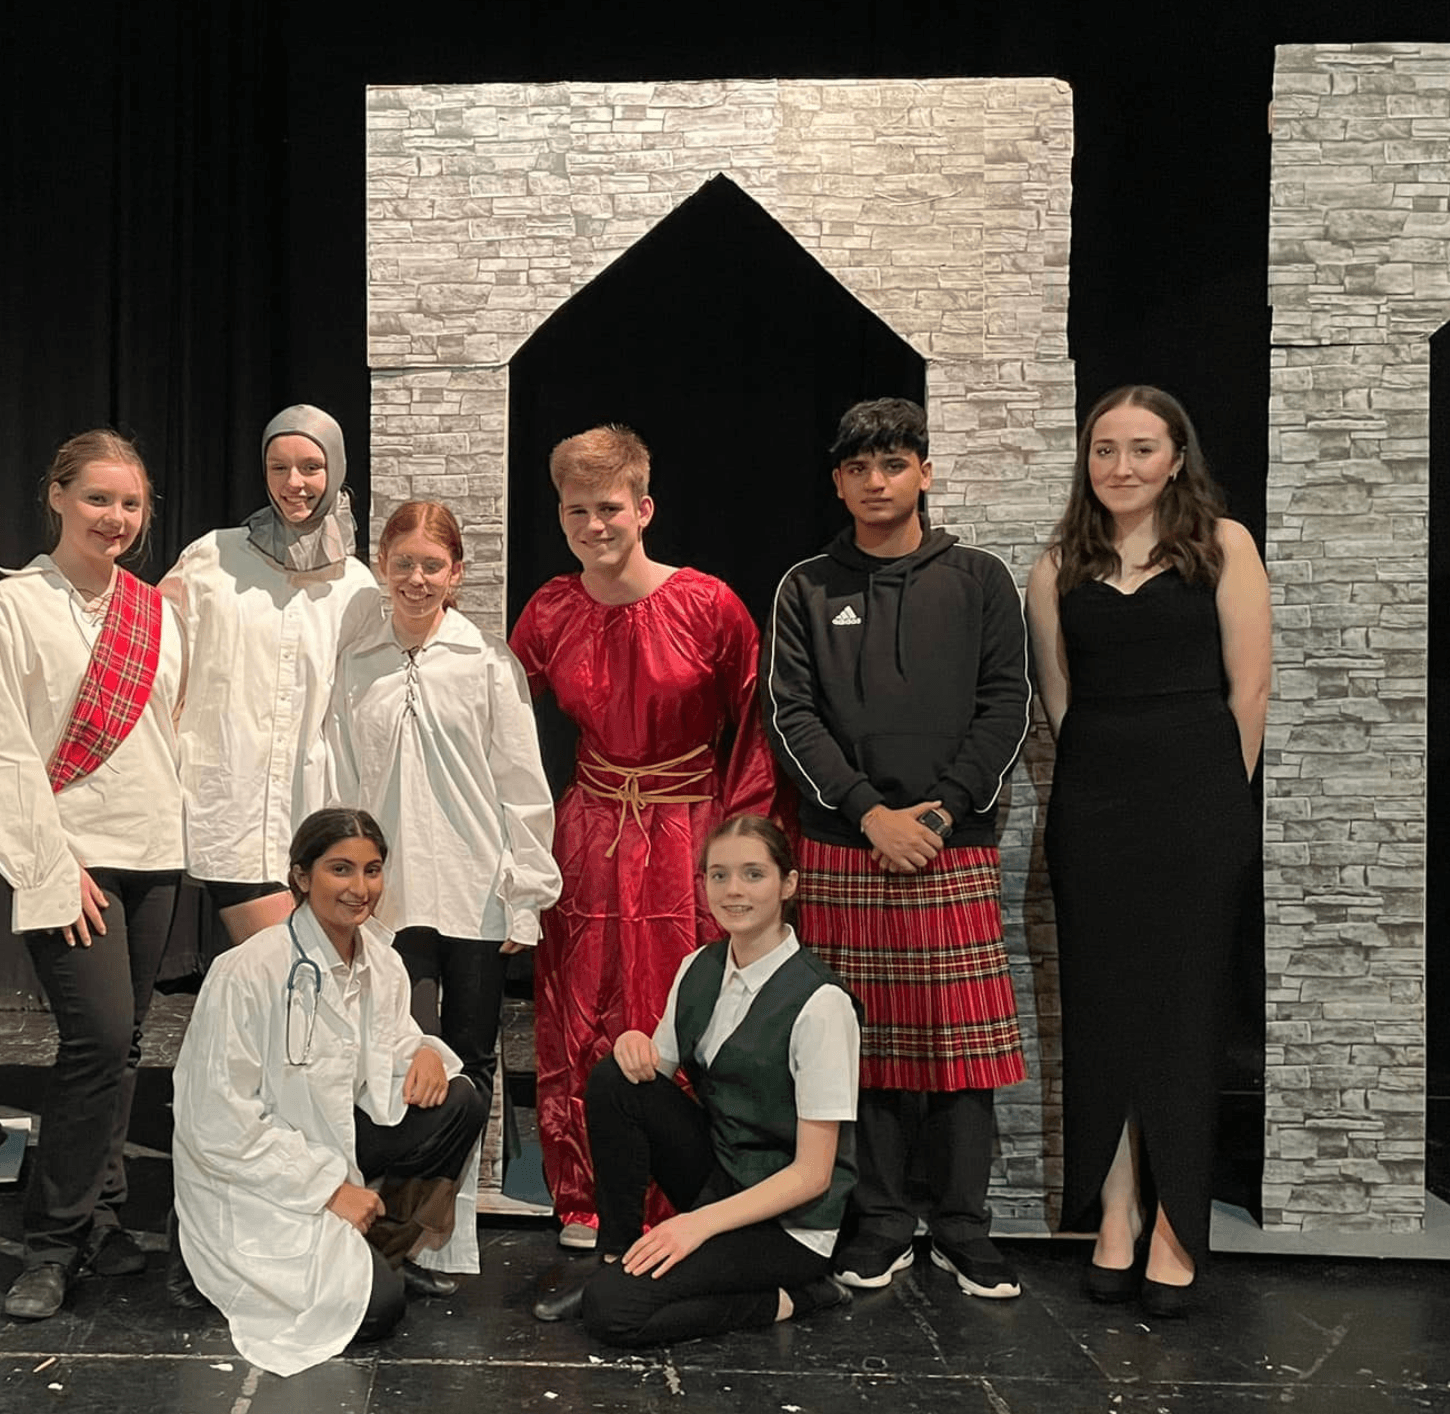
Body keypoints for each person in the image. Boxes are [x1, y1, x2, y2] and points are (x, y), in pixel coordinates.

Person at [763, 397, 1031, 1299]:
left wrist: (941, 814)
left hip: (951, 845)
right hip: (846, 844)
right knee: (859, 1046)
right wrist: (869, 812)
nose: (876, 483)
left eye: (894, 465)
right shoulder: (805, 585)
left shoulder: (983, 579)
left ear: (923, 471)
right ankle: (877, 1222)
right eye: (858, 469)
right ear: (837, 481)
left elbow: (1007, 706)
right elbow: (790, 713)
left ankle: (962, 1227)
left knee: (962, 1050)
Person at [1026, 385, 1270, 1317]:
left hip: (1198, 801)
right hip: (1095, 805)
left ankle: (1178, 1222)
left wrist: (1212, 799)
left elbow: (1249, 691)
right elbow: (1059, 701)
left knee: (1184, 1008)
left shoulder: (1224, 546)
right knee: (1104, 1009)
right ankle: (1116, 1208)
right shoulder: (1057, 565)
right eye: (1103, 450)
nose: (1119, 466)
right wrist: (1102, 784)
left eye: (1140, 449)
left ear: (1176, 457)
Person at [508, 425, 776, 1248]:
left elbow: (754, 729)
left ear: (644, 507)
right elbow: (499, 725)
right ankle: (587, 1192)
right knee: (578, 1010)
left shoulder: (708, 605)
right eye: (577, 510)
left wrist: (741, 853)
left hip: (686, 833)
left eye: (611, 508)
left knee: (680, 1010)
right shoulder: (551, 610)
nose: (595, 525)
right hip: (589, 833)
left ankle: (690, 1195)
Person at [0, 430, 186, 1320]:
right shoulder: (12, 607)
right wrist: (48, 865)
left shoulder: (157, 611)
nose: (116, 518)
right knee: (94, 1041)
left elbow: (179, 731)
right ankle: (51, 1244)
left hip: (154, 850)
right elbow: (1, 746)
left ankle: (106, 1218)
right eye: (98, 499)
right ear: (56, 496)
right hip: (72, 855)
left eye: (130, 504)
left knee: (126, 1044)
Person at [169, 808, 487, 1376]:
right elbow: (215, 1121)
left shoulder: (381, 963)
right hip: (257, 1174)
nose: (360, 888)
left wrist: (426, 1052)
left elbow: (393, 1045)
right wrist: (326, 1189)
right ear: (301, 876)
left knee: (461, 1098)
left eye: (372, 870)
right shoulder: (247, 971)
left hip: (333, 1140)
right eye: (341, 869)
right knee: (376, 1310)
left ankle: (383, 1246)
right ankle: (204, 1257)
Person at [533, 816, 858, 1345]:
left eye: (754, 874)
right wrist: (629, 1046)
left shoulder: (821, 1004)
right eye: (719, 875)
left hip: (790, 1223)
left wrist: (695, 1224)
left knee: (614, 1313)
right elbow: (646, 1083)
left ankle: (797, 1296)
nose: (733, 890)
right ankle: (612, 1260)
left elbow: (813, 1175)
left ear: (789, 884)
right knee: (615, 1080)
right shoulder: (698, 967)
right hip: (721, 1175)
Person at [328, 500, 561, 1110]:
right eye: (403, 563)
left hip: (474, 891)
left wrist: (526, 894)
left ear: (456, 573)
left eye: (432, 565)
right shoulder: (355, 665)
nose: (417, 579)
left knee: (473, 1055)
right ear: (381, 566)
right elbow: (344, 784)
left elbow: (523, 786)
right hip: (390, 899)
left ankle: (451, 1207)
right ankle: (408, 1204)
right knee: (402, 1052)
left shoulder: (486, 663)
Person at [160, 404, 380, 944]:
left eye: (310, 466)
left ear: (336, 470)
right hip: (228, 799)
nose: (294, 483)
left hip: (315, 808)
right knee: (279, 964)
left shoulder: (356, 585)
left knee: (295, 983)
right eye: (278, 467)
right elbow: (162, 666)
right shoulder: (214, 556)